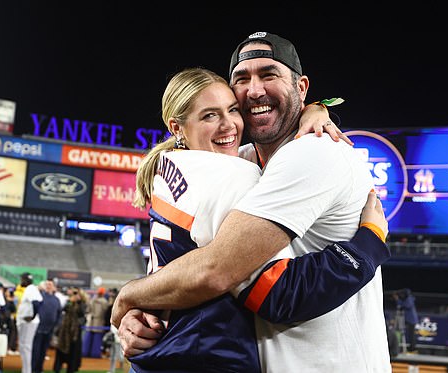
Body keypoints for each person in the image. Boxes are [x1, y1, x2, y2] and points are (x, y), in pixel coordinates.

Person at [112, 32, 392, 372]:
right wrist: (370, 243)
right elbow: (217, 271)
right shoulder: (236, 166)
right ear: (178, 128)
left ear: (301, 88)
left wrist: (133, 297)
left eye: (269, 74)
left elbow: (224, 273)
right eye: (242, 80)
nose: (254, 90)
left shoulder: (309, 152)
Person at [53, 287, 87, 373]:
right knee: (61, 349)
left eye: (77, 293)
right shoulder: (69, 301)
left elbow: (82, 314)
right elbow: (64, 309)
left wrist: (78, 302)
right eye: (74, 293)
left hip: (75, 332)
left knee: (73, 352)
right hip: (64, 331)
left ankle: (71, 369)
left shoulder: (82, 304)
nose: (75, 295)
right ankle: (58, 367)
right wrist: (70, 301)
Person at [32, 280, 61, 373]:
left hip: (49, 330)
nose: (48, 286)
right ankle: (33, 369)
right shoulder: (39, 296)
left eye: (50, 285)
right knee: (36, 350)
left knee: (43, 351)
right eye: (47, 284)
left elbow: (59, 314)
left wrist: (56, 325)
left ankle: (40, 369)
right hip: (38, 328)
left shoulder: (56, 300)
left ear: (54, 287)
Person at [16, 272, 43, 373]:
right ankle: (26, 370)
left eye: (22, 279)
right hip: (28, 322)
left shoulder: (30, 288)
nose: (21, 281)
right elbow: (40, 302)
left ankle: (27, 371)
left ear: (25, 280)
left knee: (26, 347)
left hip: (28, 322)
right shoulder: (31, 289)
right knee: (24, 347)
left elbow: (37, 303)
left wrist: (32, 316)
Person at [84, 287, 108, 357]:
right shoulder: (105, 302)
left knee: (87, 339)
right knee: (96, 341)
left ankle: (85, 353)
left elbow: (88, 310)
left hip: (90, 323)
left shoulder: (92, 300)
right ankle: (95, 354)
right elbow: (105, 313)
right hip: (99, 324)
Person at [394, 288, 419, 352]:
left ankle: (413, 348)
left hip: (411, 320)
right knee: (408, 334)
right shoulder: (407, 299)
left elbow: (406, 305)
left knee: (412, 334)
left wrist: (398, 300)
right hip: (408, 319)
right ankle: (409, 347)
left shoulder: (409, 299)